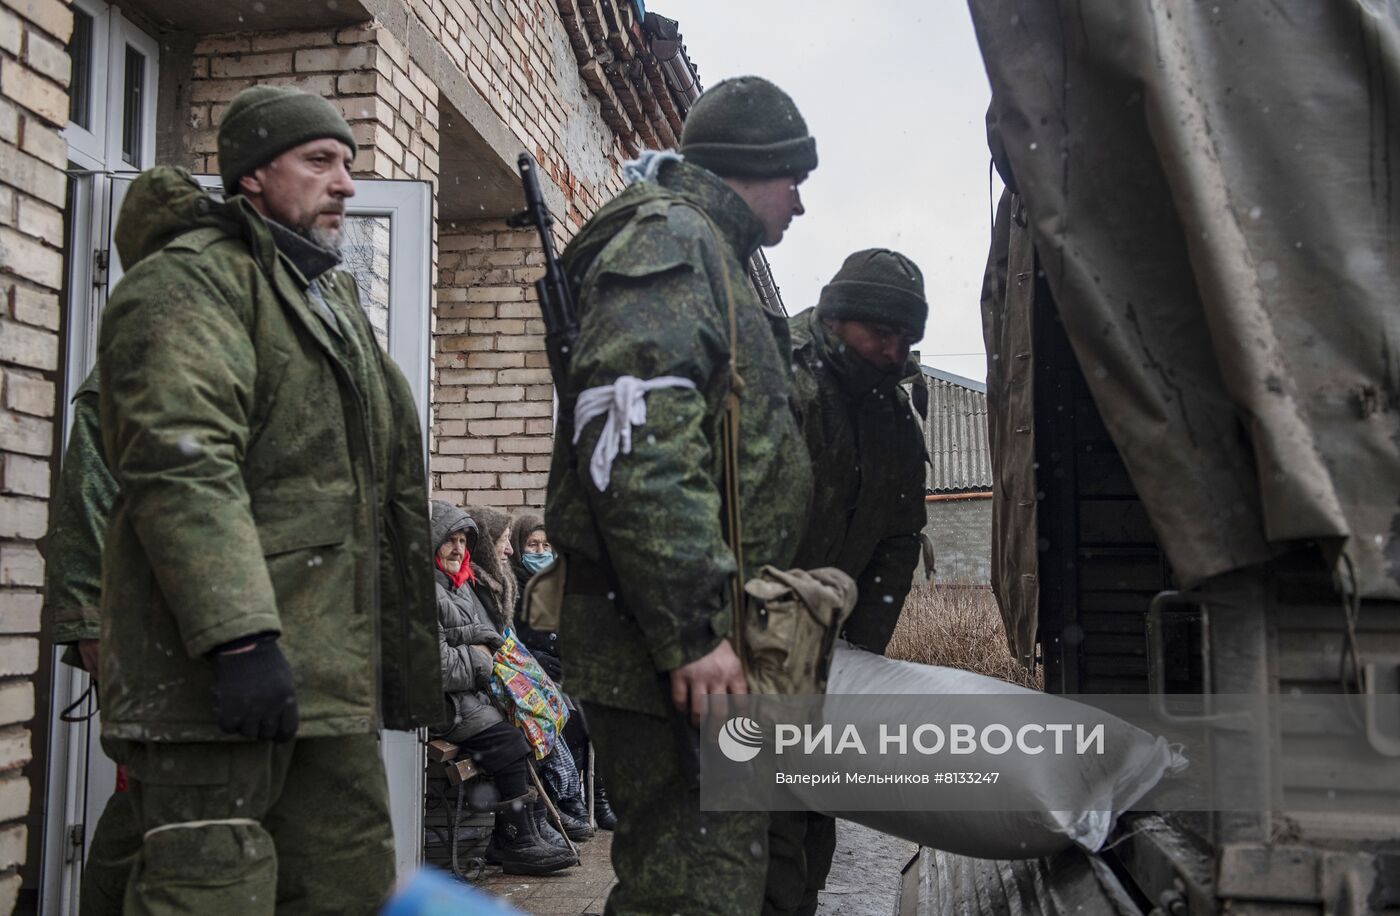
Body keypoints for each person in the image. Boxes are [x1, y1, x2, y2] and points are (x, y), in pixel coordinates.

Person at [95, 85, 442, 915]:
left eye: (350, 165)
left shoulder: (325, 299)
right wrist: (242, 642)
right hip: (219, 682)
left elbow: (374, 491)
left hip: (326, 681)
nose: (346, 184)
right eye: (320, 162)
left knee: (346, 890)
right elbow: (182, 465)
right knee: (210, 893)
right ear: (253, 176)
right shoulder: (191, 285)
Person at [546, 74, 817, 914]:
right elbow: (640, 448)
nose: (799, 206)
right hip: (667, 642)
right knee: (693, 889)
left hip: (694, 635)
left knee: (710, 875)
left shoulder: (710, 252)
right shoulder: (670, 240)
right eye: (794, 181)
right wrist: (694, 628)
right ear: (753, 166)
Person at [764, 249, 930, 916]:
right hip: (749, 638)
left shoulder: (891, 410)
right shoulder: (772, 376)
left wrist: (858, 652)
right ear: (836, 318)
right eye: (879, 334)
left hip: (830, 649)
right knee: (759, 825)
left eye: (905, 338)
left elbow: (898, 536)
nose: (893, 351)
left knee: (811, 808)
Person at [429, 501, 576, 875]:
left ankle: (531, 828)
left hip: (469, 696)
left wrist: (479, 646)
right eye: (450, 540)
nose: (458, 549)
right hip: (445, 704)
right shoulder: (431, 592)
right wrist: (482, 657)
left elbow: (480, 636)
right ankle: (514, 838)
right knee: (510, 742)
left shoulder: (457, 586)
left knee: (529, 726)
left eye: (463, 541)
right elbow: (441, 666)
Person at [42, 366, 142, 916]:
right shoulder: (145, 349)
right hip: (162, 647)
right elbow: (89, 500)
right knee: (153, 817)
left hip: (285, 649)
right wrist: (93, 630)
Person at [466, 505, 593, 842]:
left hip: (531, 674)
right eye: (527, 544)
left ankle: (569, 803)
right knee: (532, 723)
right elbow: (496, 642)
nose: (509, 550)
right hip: (490, 687)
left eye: (545, 545)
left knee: (576, 710)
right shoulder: (493, 585)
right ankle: (538, 819)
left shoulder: (506, 582)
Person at [508, 512, 617, 831]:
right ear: (517, 546)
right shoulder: (511, 584)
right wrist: (539, 657)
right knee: (572, 718)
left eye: (546, 545)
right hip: (532, 674)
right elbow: (512, 637)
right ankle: (571, 800)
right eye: (532, 544)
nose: (540, 552)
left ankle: (598, 798)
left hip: (563, 668)